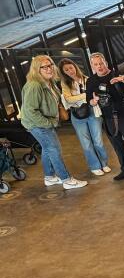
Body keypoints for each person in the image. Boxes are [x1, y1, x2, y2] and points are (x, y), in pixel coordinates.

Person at [19, 56, 87, 189]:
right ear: (37, 69)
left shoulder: (49, 82)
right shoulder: (34, 86)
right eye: (44, 67)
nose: (49, 69)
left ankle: (49, 177)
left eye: (50, 65)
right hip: (37, 124)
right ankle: (67, 180)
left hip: (44, 121)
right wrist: (48, 124)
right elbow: (30, 111)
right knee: (54, 149)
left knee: (47, 149)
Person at [86, 52, 124, 183]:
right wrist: (94, 101)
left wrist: (123, 79)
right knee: (117, 145)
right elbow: (88, 100)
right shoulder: (91, 81)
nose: (99, 66)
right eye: (96, 64)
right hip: (108, 118)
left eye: (101, 63)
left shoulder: (115, 74)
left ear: (106, 63)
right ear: (92, 66)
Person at [58, 58, 110, 177]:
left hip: (92, 111)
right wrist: (86, 95)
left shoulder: (87, 79)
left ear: (75, 67)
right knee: (86, 143)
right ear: (63, 72)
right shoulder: (65, 84)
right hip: (77, 114)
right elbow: (69, 99)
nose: (70, 71)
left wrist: (82, 97)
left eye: (71, 68)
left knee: (98, 141)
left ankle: (104, 163)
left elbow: (95, 94)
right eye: (66, 70)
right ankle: (95, 166)